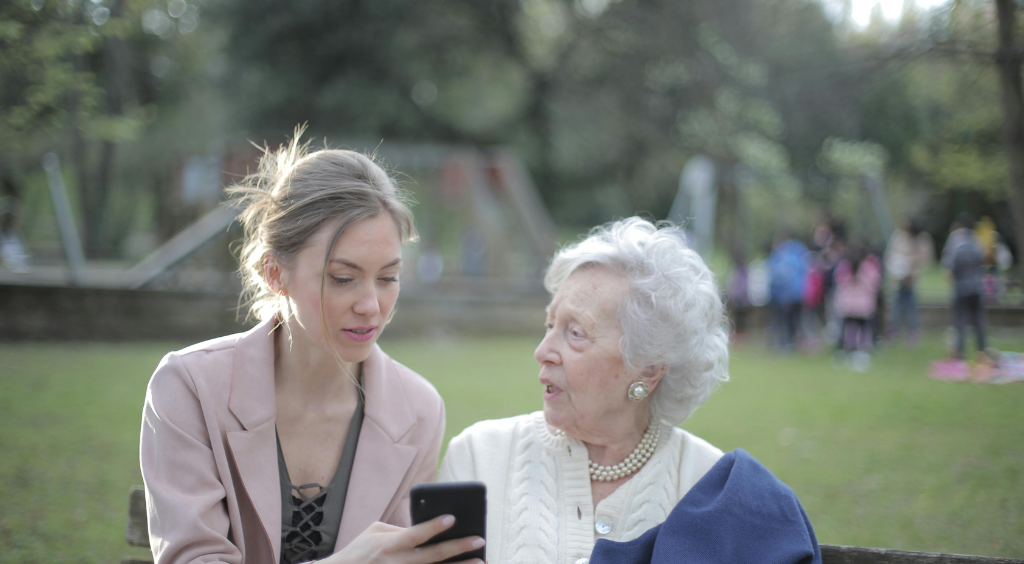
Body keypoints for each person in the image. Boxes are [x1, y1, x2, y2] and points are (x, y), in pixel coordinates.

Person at [140, 130, 484, 564]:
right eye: (343, 277)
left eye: (388, 277)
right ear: (275, 273)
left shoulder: (418, 410)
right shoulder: (188, 387)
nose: (371, 305)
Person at [438, 218, 819, 564]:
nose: (542, 352)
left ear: (648, 370)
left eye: (575, 333)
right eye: (550, 324)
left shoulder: (711, 487)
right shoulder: (478, 457)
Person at [942, 213, 989, 360]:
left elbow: (951, 267)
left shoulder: (956, 243)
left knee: (960, 321)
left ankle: (959, 352)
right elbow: (983, 262)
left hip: (961, 289)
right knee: (978, 321)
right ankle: (982, 350)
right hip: (976, 288)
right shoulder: (977, 242)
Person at [884, 218, 933, 346]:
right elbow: (891, 255)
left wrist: (911, 267)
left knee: (911, 306)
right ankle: (894, 330)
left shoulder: (922, 239)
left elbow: (925, 260)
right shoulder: (899, 236)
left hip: (912, 279)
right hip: (898, 278)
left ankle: (912, 333)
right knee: (897, 306)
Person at [768, 230, 809, 351]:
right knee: (786, 321)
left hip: (791, 296)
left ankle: (789, 343)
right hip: (787, 296)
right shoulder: (795, 254)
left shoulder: (788, 256)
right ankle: (786, 343)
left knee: (790, 321)